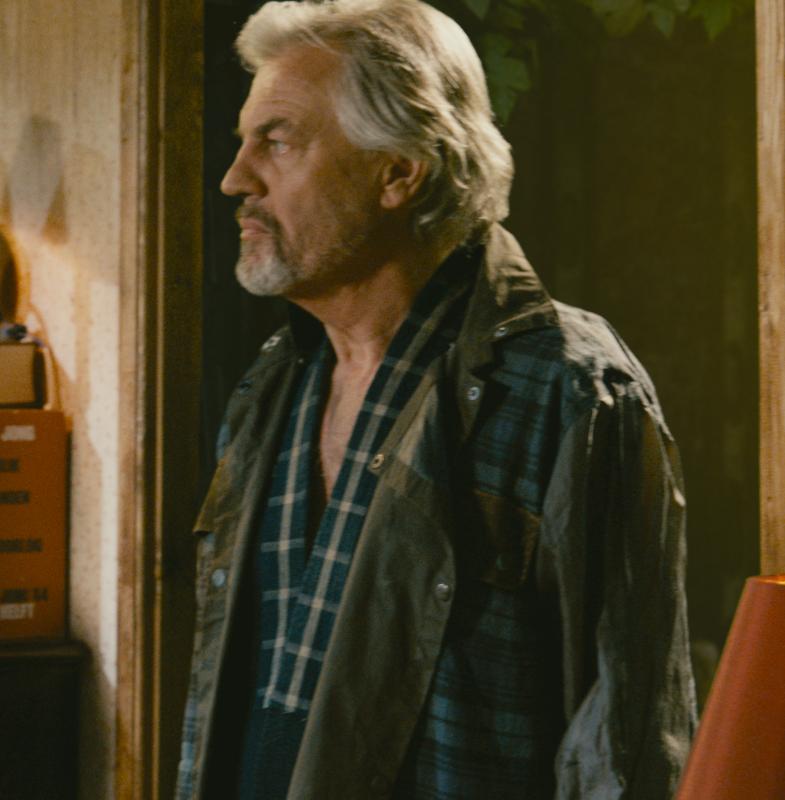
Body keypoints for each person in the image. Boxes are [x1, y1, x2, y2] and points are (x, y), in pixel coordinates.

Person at [177, 2, 695, 798]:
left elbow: (623, 752)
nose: (235, 178)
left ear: (399, 171)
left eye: (277, 142)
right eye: (245, 142)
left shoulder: (570, 390)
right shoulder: (271, 386)